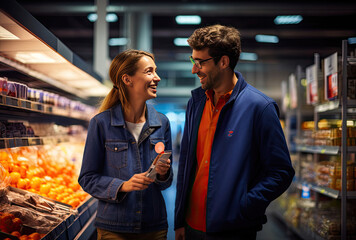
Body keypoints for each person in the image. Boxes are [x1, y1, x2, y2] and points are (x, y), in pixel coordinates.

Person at [174, 24, 295, 240]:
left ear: (223, 62)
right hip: (191, 226)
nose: (194, 69)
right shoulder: (196, 103)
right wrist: (179, 219)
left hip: (233, 229)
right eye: (193, 61)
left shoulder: (260, 107)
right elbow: (186, 163)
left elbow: (281, 172)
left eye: (200, 62)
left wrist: (245, 205)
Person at [78, 49, 173, 240]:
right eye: (149, 71)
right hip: (114, 228)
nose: (157, 77)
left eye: (156, 71)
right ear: (127, 79)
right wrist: (122, 186)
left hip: (154, 226)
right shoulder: (101, 123)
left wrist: (163, 173)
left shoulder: (162, 123)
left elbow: (166, 183)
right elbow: (87, 178)